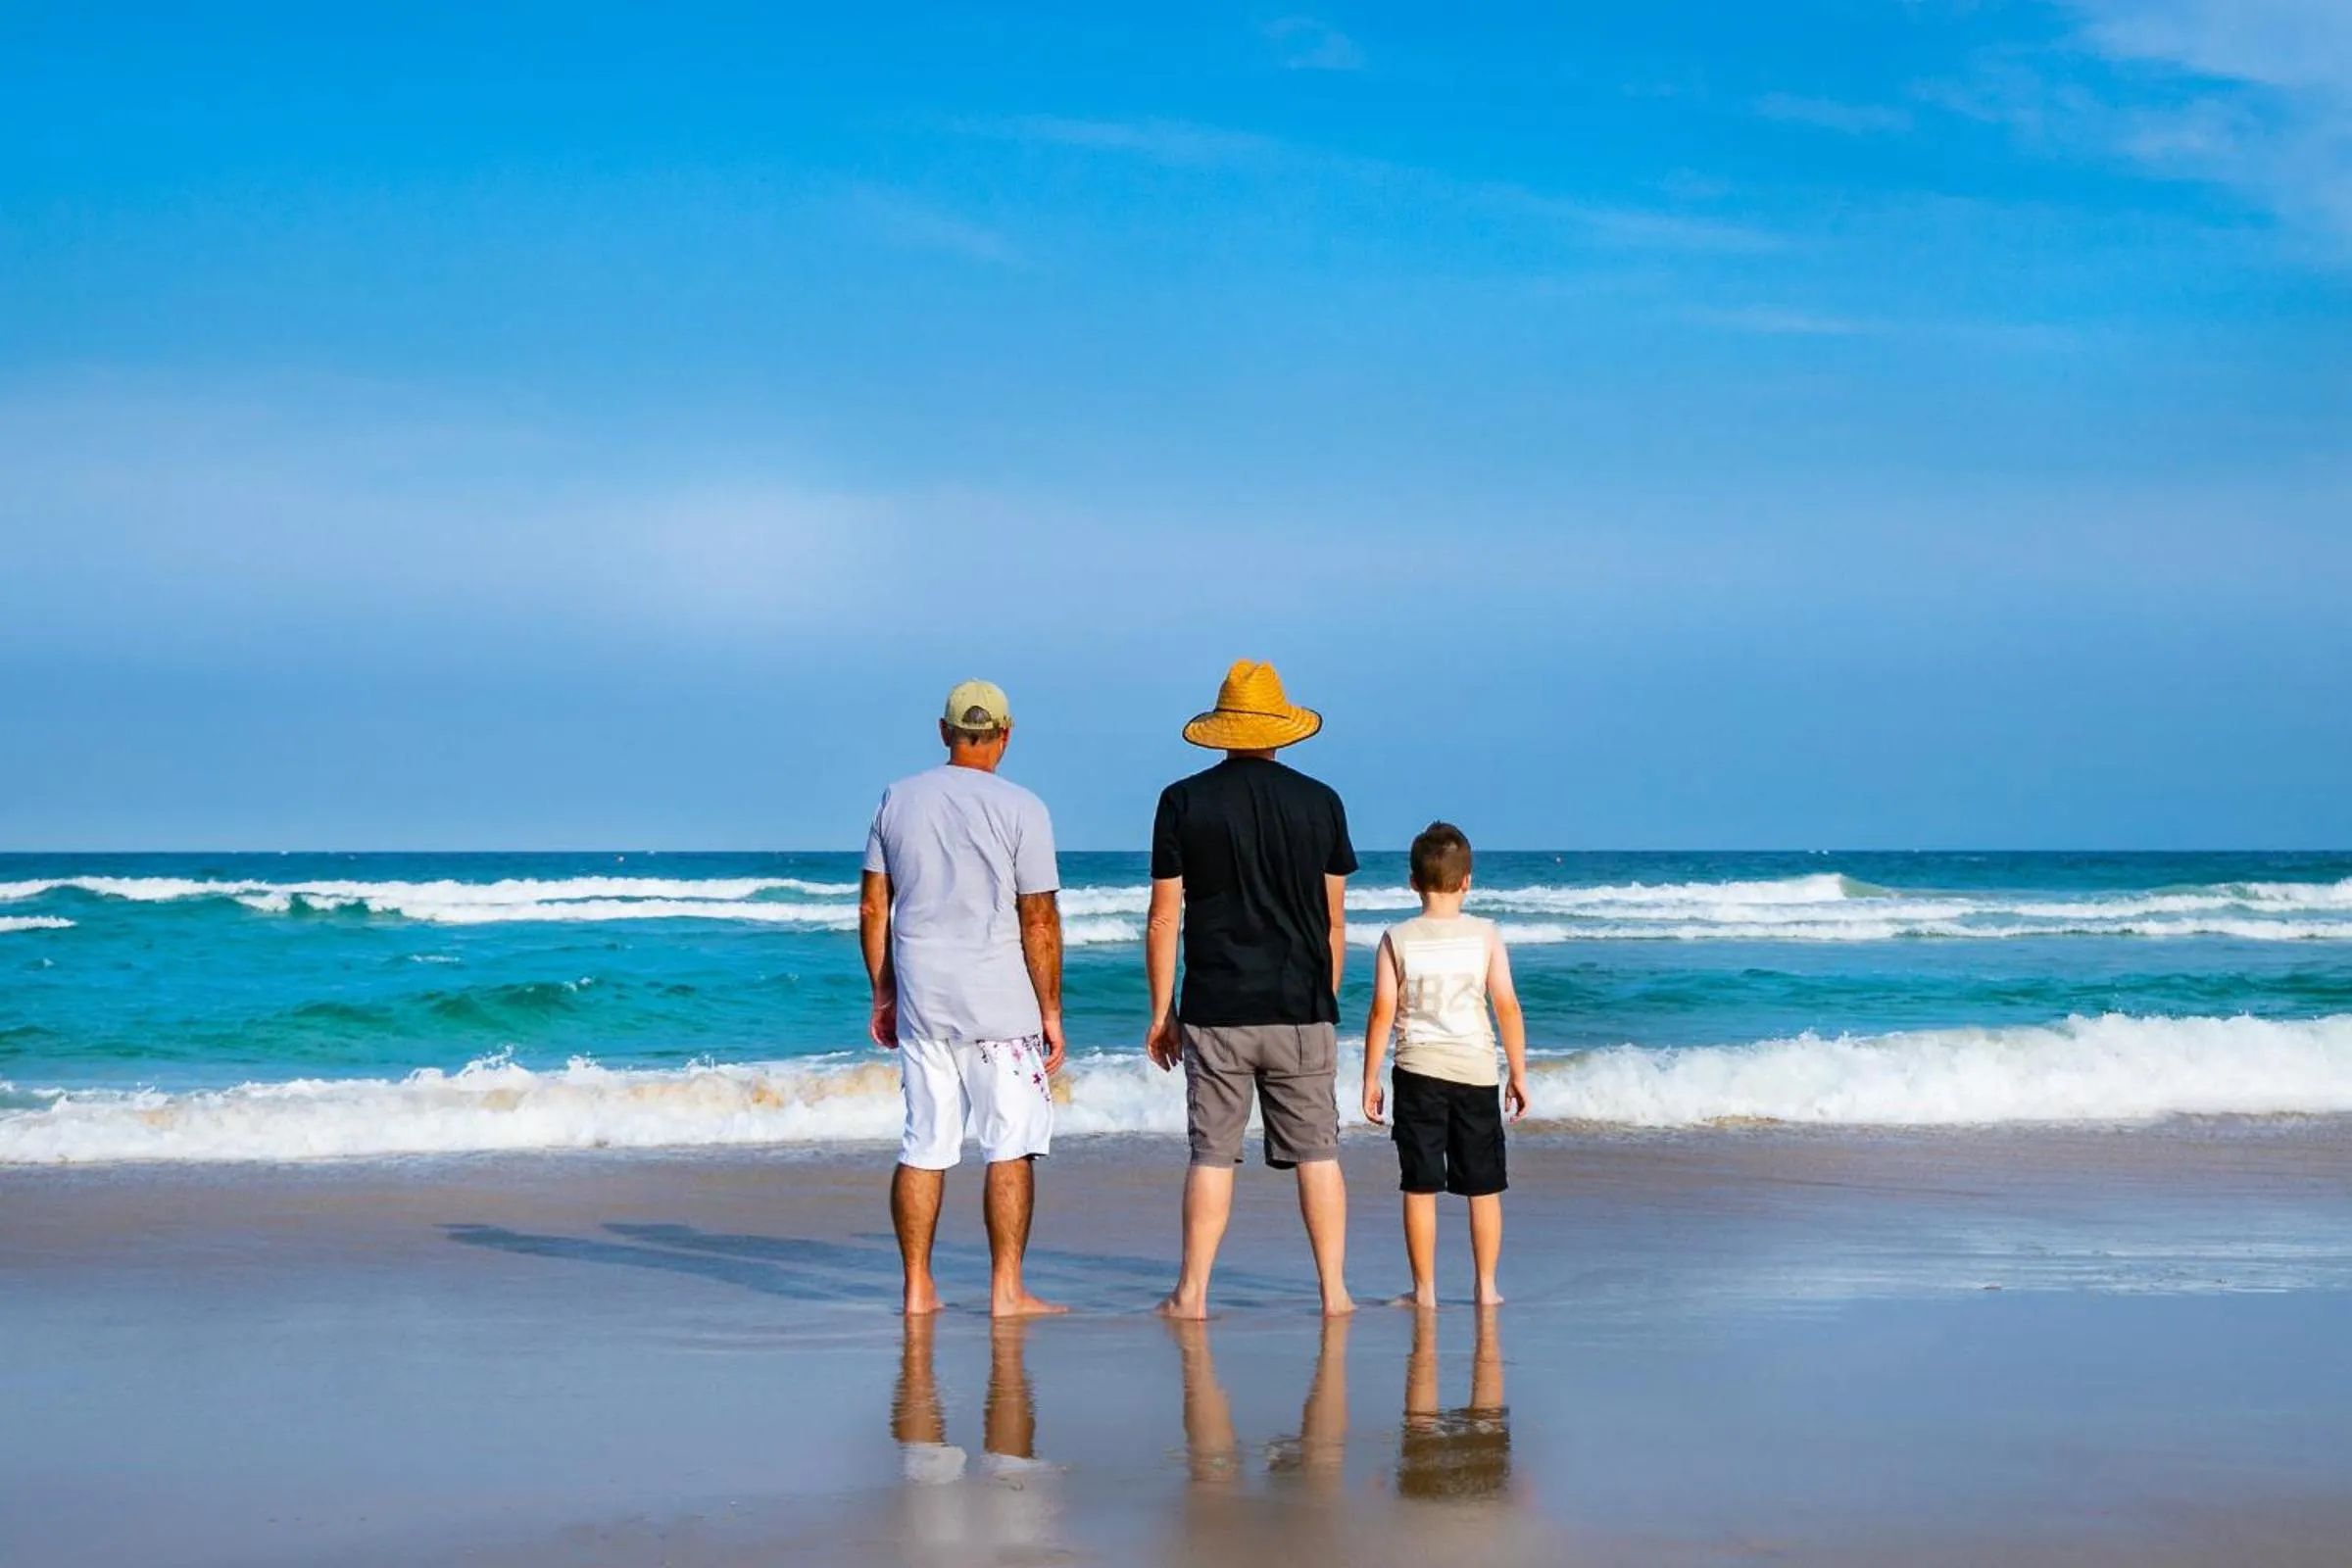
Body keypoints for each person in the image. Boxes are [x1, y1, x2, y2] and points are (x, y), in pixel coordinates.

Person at [1145, 659, 1357, 1319]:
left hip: (1217, 1004)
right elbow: (1333, 920)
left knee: (1211, 1154)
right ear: (1281, 730)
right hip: (1300, 1005)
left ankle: (1193, 1295)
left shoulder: (1182, 801)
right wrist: (1323, 997)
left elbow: (1163, 916)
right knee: (1319, 1154)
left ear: (1223, 729)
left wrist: (1163, 1012)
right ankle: (1334, 1293)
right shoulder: (1321, 802)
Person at [861, 679, 1067, 1318]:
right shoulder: (1023, 807)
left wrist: (883, 992)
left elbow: (874, 904)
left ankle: (917, 1289)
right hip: (1000, 1004)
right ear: (1006, 735)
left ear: (944, 731)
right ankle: (1006, 1290)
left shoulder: (898, 798)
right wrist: (1052, 1012)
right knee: (1009, 1145)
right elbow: (1038, 919)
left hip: (925, 997)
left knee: (925, 1143)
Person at [1360, 821, 1528, 1308]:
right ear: (1467, 881)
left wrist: (1370, 1077)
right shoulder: (1485, 934)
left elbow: (1381, 1012)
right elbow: (1507, 1006)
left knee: (1419, 1184)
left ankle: (1425, 1291)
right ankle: (1487, 1287)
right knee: (1484, 1186)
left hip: (1417, 1072)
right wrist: (1516, 1072)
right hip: (1475, 1071)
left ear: (1412, 881)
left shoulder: (1397, 937)